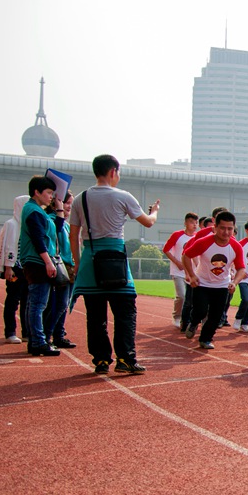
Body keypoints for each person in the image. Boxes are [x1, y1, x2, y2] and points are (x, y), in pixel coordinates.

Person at [69, 154, 160, 375]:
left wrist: (78, 264)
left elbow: (74, 235)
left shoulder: (80, 199)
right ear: (113, 172)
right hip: (115, 259)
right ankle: (125, 358)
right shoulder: (123, 196)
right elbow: (148, 223)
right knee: (125, 312)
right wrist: (155, 211)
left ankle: (100, 360)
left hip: (91, 259)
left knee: (95, 315)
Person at [182, 210, 247, 350]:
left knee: (216, 316)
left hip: (222, 285)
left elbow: (241, 269)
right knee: (200, 310)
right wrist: (192, 275)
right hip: (202, 283)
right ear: (215, 227)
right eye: (222, 228)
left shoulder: (236, 247)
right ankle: (193, 322)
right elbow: (186, 256)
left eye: (230, 229)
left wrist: (234, 283)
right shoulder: (204, 242)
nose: (226, 232)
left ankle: (205, 339)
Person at [18, 175, 65, 357]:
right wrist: (48, 261)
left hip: (38, 261)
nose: (51, 197)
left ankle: (37, 341)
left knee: (37, 303)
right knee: (38, 304)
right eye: (48, 193)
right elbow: (38, 239)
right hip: (37, 262)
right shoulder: (33, 211)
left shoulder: (39, 211)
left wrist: (59, 209)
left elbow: (56, 229)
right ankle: (38, 341)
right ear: (36, 192)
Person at [43, 190, 76, 349]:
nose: (70, 207)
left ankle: (58, 334)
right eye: (67, 203)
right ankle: (46, 335)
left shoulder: (67, 226)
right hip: (59, 265)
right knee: (59, 303)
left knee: (65, 303)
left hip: (69, 267)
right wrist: (59, 211)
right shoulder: (52, 221)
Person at [0, 195, 29, 344]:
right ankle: (10, 332)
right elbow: (8, 246)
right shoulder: (12, 224)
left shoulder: (26, 225)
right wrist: (8, 268)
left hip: (26, 268)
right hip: (15, 268)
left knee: (27, 301)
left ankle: (26, 332)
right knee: (13, 300)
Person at [162, 212, 199, 327]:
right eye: (191, 222)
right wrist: (177, 262)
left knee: (191, 299)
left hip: (192, 273)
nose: (194, 225)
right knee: (181, 296)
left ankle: (187, 319)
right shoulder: (177, 235)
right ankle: (177, 316)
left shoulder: (197, 237)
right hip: (178, 271)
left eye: (196, 223)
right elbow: (166, 249)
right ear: (185, 223)